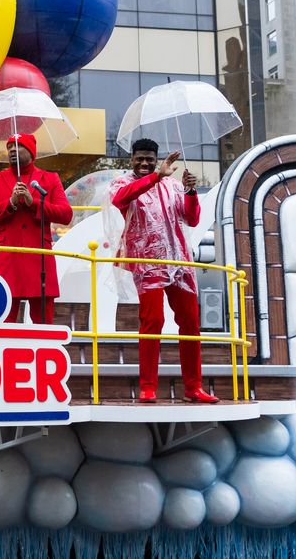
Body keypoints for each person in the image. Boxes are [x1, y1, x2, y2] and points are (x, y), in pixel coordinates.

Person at [109, 139, 219, 404]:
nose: (144, 163)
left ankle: (193, 388)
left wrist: (191, 192)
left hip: (180, 262)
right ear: (131, 160)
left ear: (155, 158)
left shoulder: (173, 185)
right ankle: (148, 387)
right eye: (139, 158)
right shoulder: (122, 184)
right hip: (148, 264)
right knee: (152, 322)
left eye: (149, 159)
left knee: (191, 323)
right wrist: (157, 176)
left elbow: (191, 218)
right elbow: (120, 200)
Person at [0, 133, 72, 324]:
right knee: (5, 320)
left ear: (31, 152)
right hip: (8, 259)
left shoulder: (50, 179)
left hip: (39, 258)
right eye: (9, 147)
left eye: (18, 146)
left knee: (44, 323)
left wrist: (33, 203)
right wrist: (9, 203)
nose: (12, 150)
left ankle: (44, 353)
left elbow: (66, 215)